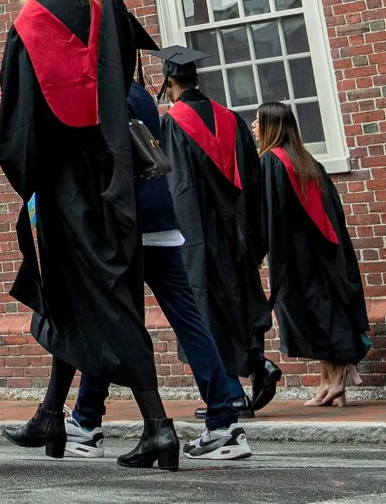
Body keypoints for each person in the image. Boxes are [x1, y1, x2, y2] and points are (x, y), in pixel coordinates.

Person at [0, 0, 177, 470]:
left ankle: (159, 425)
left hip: (65, 186)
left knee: (102, 302)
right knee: (86, 296)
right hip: (115, 174)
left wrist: (27, 177)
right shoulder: (110, 6)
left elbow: (21, 126)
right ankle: (52, 413)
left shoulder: (29, 25)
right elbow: (123, 84)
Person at [35, 52, 254, 463]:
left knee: (112, 318)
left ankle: (86, 422)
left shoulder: (103, 96)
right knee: (188, 322)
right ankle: (224, 421)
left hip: (126, 227)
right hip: (162, 220)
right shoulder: (139, 94)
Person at [161, 49, 274, 422]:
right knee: (237, 301)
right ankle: (258, 362)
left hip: (201, 235)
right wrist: (255, 237)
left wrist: (183, 241)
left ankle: (232, 393)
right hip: (237, 233)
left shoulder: (174, 124)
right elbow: (254, 182)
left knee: (204, 310)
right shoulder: (232, 119)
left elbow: (180, 189)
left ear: (169, 82)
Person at [255, 101, 369, 406]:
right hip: (325, 255)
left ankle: (336, 382)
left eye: (258, 122)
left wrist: (256, 251)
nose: (254, 127)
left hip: (297, 259)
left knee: (317, 318)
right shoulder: (308, 161)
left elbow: (268, 216)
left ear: (271, 127)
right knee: (325, 315)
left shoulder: (272, 162)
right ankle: (327, 382)